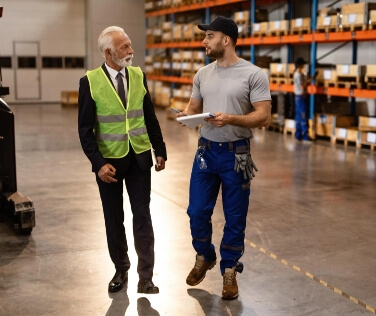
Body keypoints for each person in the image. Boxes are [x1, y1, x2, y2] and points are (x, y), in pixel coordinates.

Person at [176, 16, 271, 300]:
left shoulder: (253, 74)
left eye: (210, 36)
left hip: (236, 155)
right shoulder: (202, 74)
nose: (204, 41)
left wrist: (231, 118)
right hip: (205, 153)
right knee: (197, 211)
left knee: (235, 217)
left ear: (225, 40)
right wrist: (186, 115)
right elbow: (193, 106)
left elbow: (263, 116)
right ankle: (205, 255)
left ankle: (229, 269)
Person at [78, 26, 167, 294]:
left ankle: (146, 277)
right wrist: (97, 164)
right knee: (113, 218)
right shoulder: (90, 81)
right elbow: (85, 129)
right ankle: (121, 269)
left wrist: (159, 149)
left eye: (129, 45)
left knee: (142, 216)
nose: (131, 51)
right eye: (125, 47)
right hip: (109, 165)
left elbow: (149, 116)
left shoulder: (138, 76)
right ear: (109, 52)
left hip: (139, 158)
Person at [293, 57, 312, 141]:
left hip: (297, 97)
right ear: (300, 65)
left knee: (298, 116)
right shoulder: (299, 75)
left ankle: (298, 134)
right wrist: (308, 81)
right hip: (301, 97)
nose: (304, 65)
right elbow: (302, 86)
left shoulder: (296, 73)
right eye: (303, 64)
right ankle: (305, 135)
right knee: (303, 115)